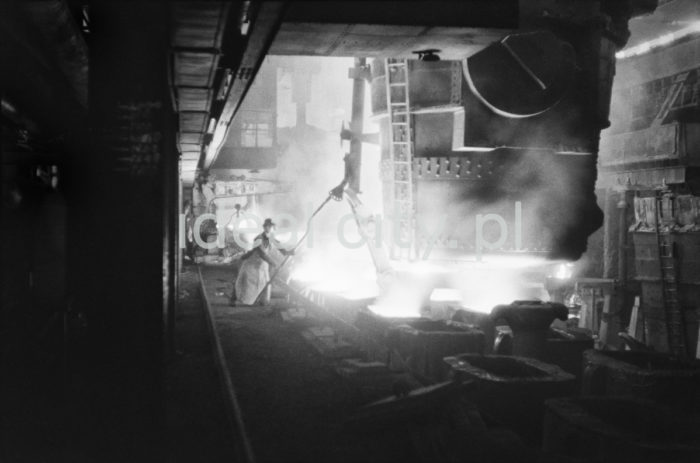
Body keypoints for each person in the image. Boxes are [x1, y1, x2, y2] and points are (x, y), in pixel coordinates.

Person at [232, 218, 293, 306]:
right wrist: (273, 263)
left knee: (265, 284)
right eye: (269, 227)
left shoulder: (270, 237)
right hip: (252, 265)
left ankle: (263, 302)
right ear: (265, 227)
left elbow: (279, 247)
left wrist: (288, 252)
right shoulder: (258, 238)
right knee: (247, 284)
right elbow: (261, 254)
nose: (271, 229)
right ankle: (241, 301)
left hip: (263, 265)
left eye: (271, 227)